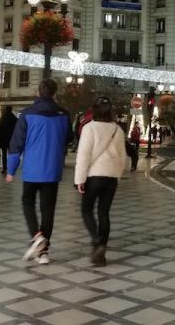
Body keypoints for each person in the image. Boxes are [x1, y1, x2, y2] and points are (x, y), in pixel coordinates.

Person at [6, 79, 71, 266]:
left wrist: (10, 170)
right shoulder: (64, 115)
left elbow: (16, 143)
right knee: (48, 209)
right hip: (53, 169)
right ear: (54, 94)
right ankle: (43, 253)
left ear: (38, 93)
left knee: (27, 202)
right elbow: (68, 139)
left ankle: (37, 236)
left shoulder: (27, 114)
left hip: (32, 169)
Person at [75, 97, 127, 267]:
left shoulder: (89, 128)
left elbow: (84, 155)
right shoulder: (117, 130)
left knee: (86, 209)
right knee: (104, 213)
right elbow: (122, 157)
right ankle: (101, 249)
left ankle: (96, 240)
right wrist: (117, 176)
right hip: (111, 177)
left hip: (94, 176)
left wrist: (79, 179)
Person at [0, 106, 17, 174]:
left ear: (6, 110)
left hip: (3, 139)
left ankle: (4, 168)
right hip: (12, 139)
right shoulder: (14, 118)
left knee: (4, 154)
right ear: (11, 110)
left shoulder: (2, 118)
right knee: (11, 153)